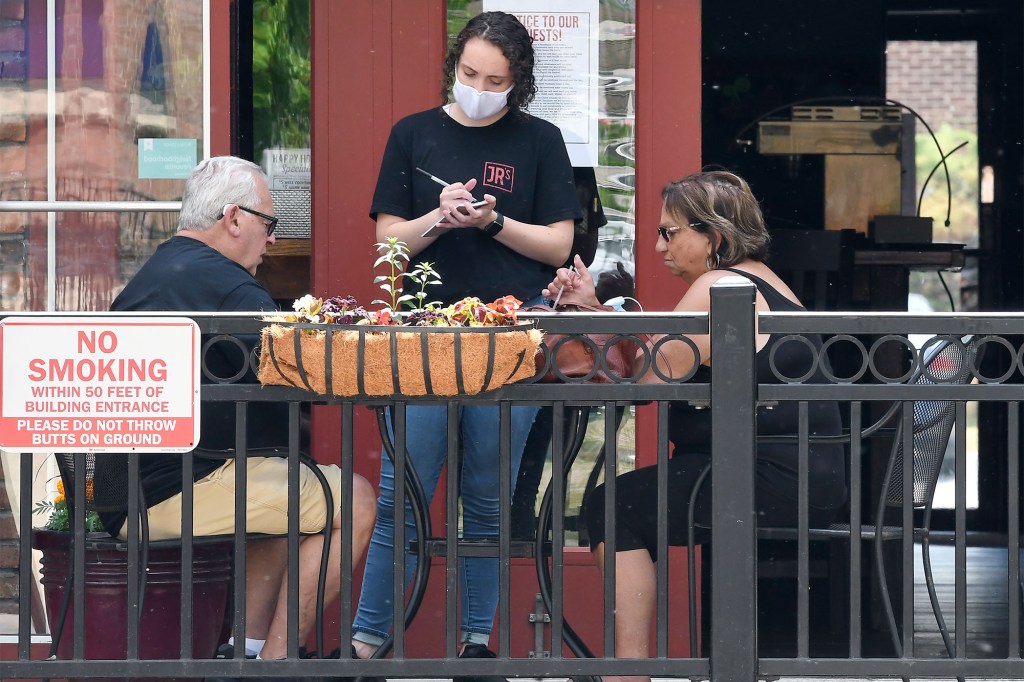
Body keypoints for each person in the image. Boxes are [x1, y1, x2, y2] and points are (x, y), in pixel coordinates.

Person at [543, 170, 847, 682]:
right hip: (797, 472)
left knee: (612, 508)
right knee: (628, 503)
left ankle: (628, 672)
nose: (658, 244)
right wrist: (596, 310)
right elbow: (668, 360)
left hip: (769, 473)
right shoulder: (758, 277)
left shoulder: (720, 283)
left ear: (715, 238)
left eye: (670, 232)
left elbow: (657, 371)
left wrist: (591, 311)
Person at [352, 11, 582, 675]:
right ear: (455, 65)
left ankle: (476, 644)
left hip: (511, 333)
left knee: (486, 494)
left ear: (518, 82)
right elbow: (389, 242)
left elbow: (559, 243)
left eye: (495, 79)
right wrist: (440, 215)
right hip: (426, 332)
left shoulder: (539, 140)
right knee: (405, 491)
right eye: (470, 73)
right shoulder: (414, 133)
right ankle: (369, 639)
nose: (479, 86)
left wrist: (493, 220)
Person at [100, 156, 377, 671]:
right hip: (165, 492)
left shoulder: (164, 268)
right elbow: (305, 368)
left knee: (285, 481)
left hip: (134, 486)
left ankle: (246, 652)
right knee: (355, 502)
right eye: (269, 224)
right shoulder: (227, 286)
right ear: (233, 218)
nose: (273, 239)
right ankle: (277, 662)